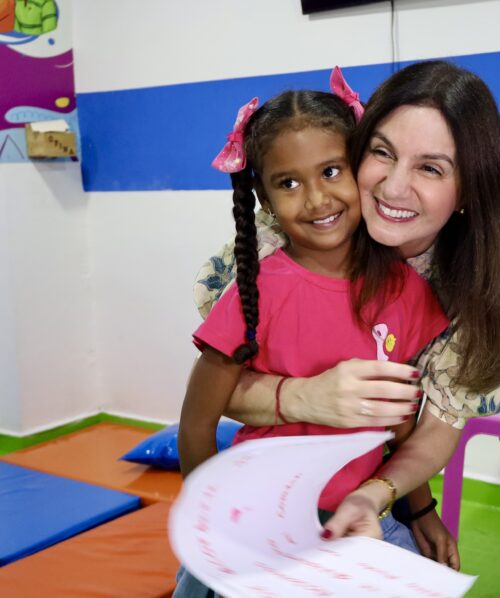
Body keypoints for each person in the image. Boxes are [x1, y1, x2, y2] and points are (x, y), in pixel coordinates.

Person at [194, 60, 500, 571]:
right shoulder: (288, 244)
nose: (393, 189)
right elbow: (216, 389)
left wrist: (403, 500)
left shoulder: (479, 291)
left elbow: (430, 427)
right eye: (382, 153)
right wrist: (300, 397)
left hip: (360, 491)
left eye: (431, 167)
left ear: (468, 190)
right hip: (268, 492)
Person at [175, 84, 450, 596]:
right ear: (264, 199)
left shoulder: (406, 291)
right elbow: (196, 421)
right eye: (288, 183)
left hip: (358, 521)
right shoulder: (257, 290)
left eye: (330, 171)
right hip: (260, 527)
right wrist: (210, 524)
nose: (317, 199)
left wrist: (421, 511)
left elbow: (402, 427)